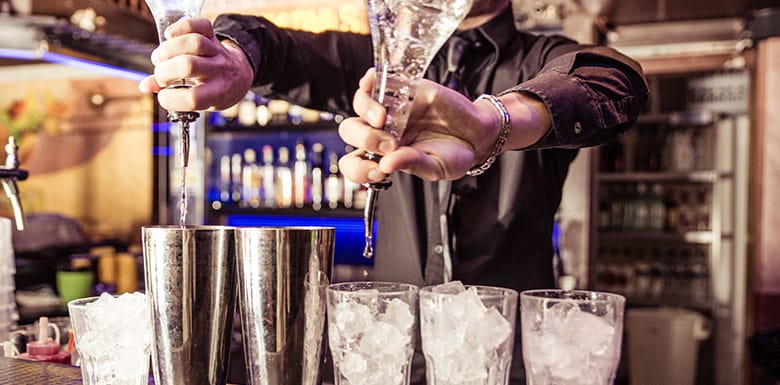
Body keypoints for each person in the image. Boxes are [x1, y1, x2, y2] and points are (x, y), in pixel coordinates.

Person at [139, 0, 649, 383]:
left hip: (507, 363)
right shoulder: (380, 63)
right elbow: (277, 48)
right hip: (388, 359)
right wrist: (235, 57)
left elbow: (615, 81)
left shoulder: (542, 57)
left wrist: (496, 120)